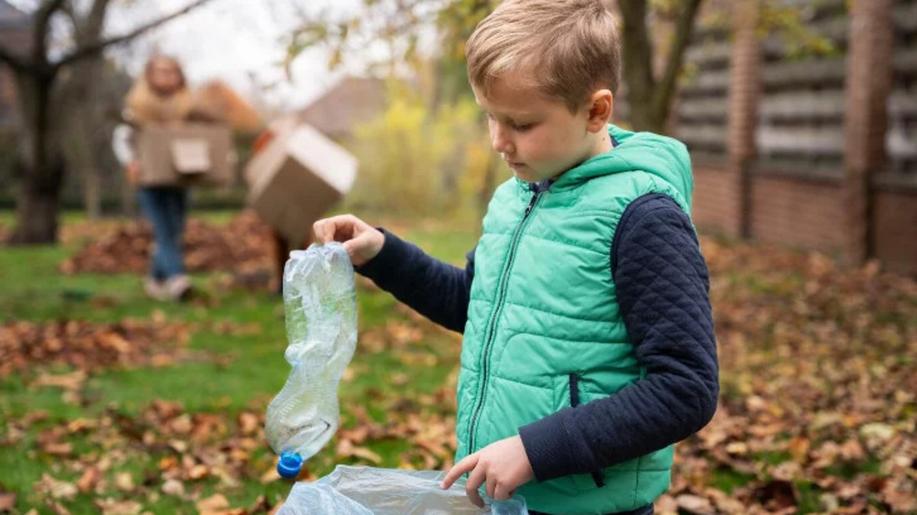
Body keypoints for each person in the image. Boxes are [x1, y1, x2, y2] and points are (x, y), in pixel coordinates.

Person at [313, 1, 718, 513]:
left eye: (522, 124)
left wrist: (534, 450)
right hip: (504, 493)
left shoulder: (644, 218)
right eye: (491, 117)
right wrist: (383, 254)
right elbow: (472, 302)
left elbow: (686, 387)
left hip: (585, 505)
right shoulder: (517, 196)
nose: (500, 142)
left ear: (596, 111)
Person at [118, 54, 194, 301]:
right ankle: (177, 279)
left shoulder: (187, 107)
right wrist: (130, 162)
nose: (167, 76)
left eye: (172, 71)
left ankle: (155, 279)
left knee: (176, 228)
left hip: (179, 178)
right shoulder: (137, 107)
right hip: (149, 180)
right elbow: (121, 138)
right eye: (161, 71)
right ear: (149, 75)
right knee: (163, 230)